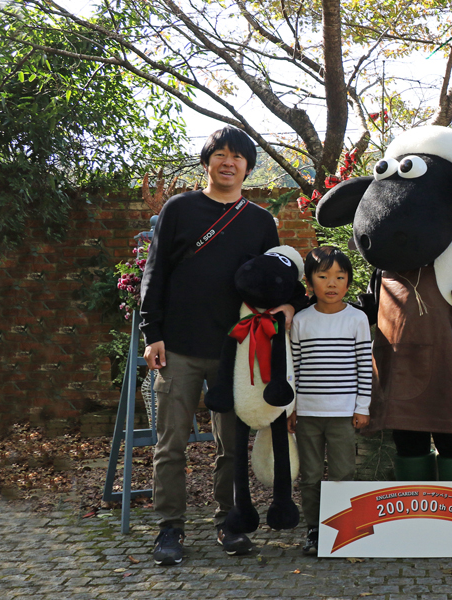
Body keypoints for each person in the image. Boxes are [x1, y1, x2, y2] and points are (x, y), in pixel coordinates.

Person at [140, 126, 306, 566]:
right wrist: (151, 332)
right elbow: (154, 272)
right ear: (208, 161)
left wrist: (289, 304)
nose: (228, 162)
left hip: (237, 352)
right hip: (177, 346)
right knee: (170, 442)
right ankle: (169, 528)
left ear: (248, 167)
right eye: (220, 155)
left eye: (237, 156)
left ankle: (226, 520)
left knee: (231, 445)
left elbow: (279, 278)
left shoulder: (258, 221)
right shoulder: (180, 209)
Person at [288, 246, 372, 556]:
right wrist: (292, 407)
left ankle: (343, 528)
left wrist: (362, 407)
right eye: (323, 276)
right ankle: (313, 529)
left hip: (343, 415)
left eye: (340, 276)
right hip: (308, 413)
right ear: (310, 282)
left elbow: (365, 366)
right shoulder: (300, 320)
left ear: (348, 282)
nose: (332, 283)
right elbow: (293, 368)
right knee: (310, 475)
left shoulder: (357, 319)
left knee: (342, 473)